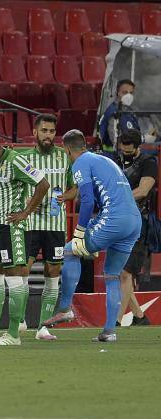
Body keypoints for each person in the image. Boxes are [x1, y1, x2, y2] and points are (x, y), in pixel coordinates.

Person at [43, 130, 142, 342]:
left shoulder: (81, 162)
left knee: (70, 251)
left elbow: (86, 200)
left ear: (67, 149)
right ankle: (108, 332)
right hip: (134, 220)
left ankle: (66, 308)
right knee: (112, 276)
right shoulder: (105, 161)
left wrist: (80, 233)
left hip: (115, 218)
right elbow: (102, 198)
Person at [0, 133, 50, 346]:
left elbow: (43, 184)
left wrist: (25, 212)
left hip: (15, 227)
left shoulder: (16, 160)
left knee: (14, 278)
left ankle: (14, 334)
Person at [18, 114, 77, 340]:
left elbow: (74, 188)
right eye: (44, 131)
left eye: (52, 131)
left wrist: (64, 198)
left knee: (53, 272)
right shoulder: (23, 158)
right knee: (23, 269)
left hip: (55, 224)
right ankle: (20, 319)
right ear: (35, 132)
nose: (48, 135)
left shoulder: (64, 158)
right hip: (31, 222)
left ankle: (43, 326)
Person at [111, 129, 157, 326]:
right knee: (119, 271)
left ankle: (117, 320)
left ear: (138, 147)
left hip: (139, 222)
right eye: (123, 151)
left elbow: (144, 190)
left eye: (129, 151)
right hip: (117, 220)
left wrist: (118, 199)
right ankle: (139, 316)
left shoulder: (149, 163)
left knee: (125, 272)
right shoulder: (117, 160)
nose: (125, 154)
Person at [98, 79, 141, 152]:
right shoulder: (113, 113)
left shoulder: (130, 112)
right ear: (117, 93)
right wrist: (143, 139)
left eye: (131, 93)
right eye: (125, 92)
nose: (128, 96)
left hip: (131, 151)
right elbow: (117, 143)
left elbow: (136, 134)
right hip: (114, 156)